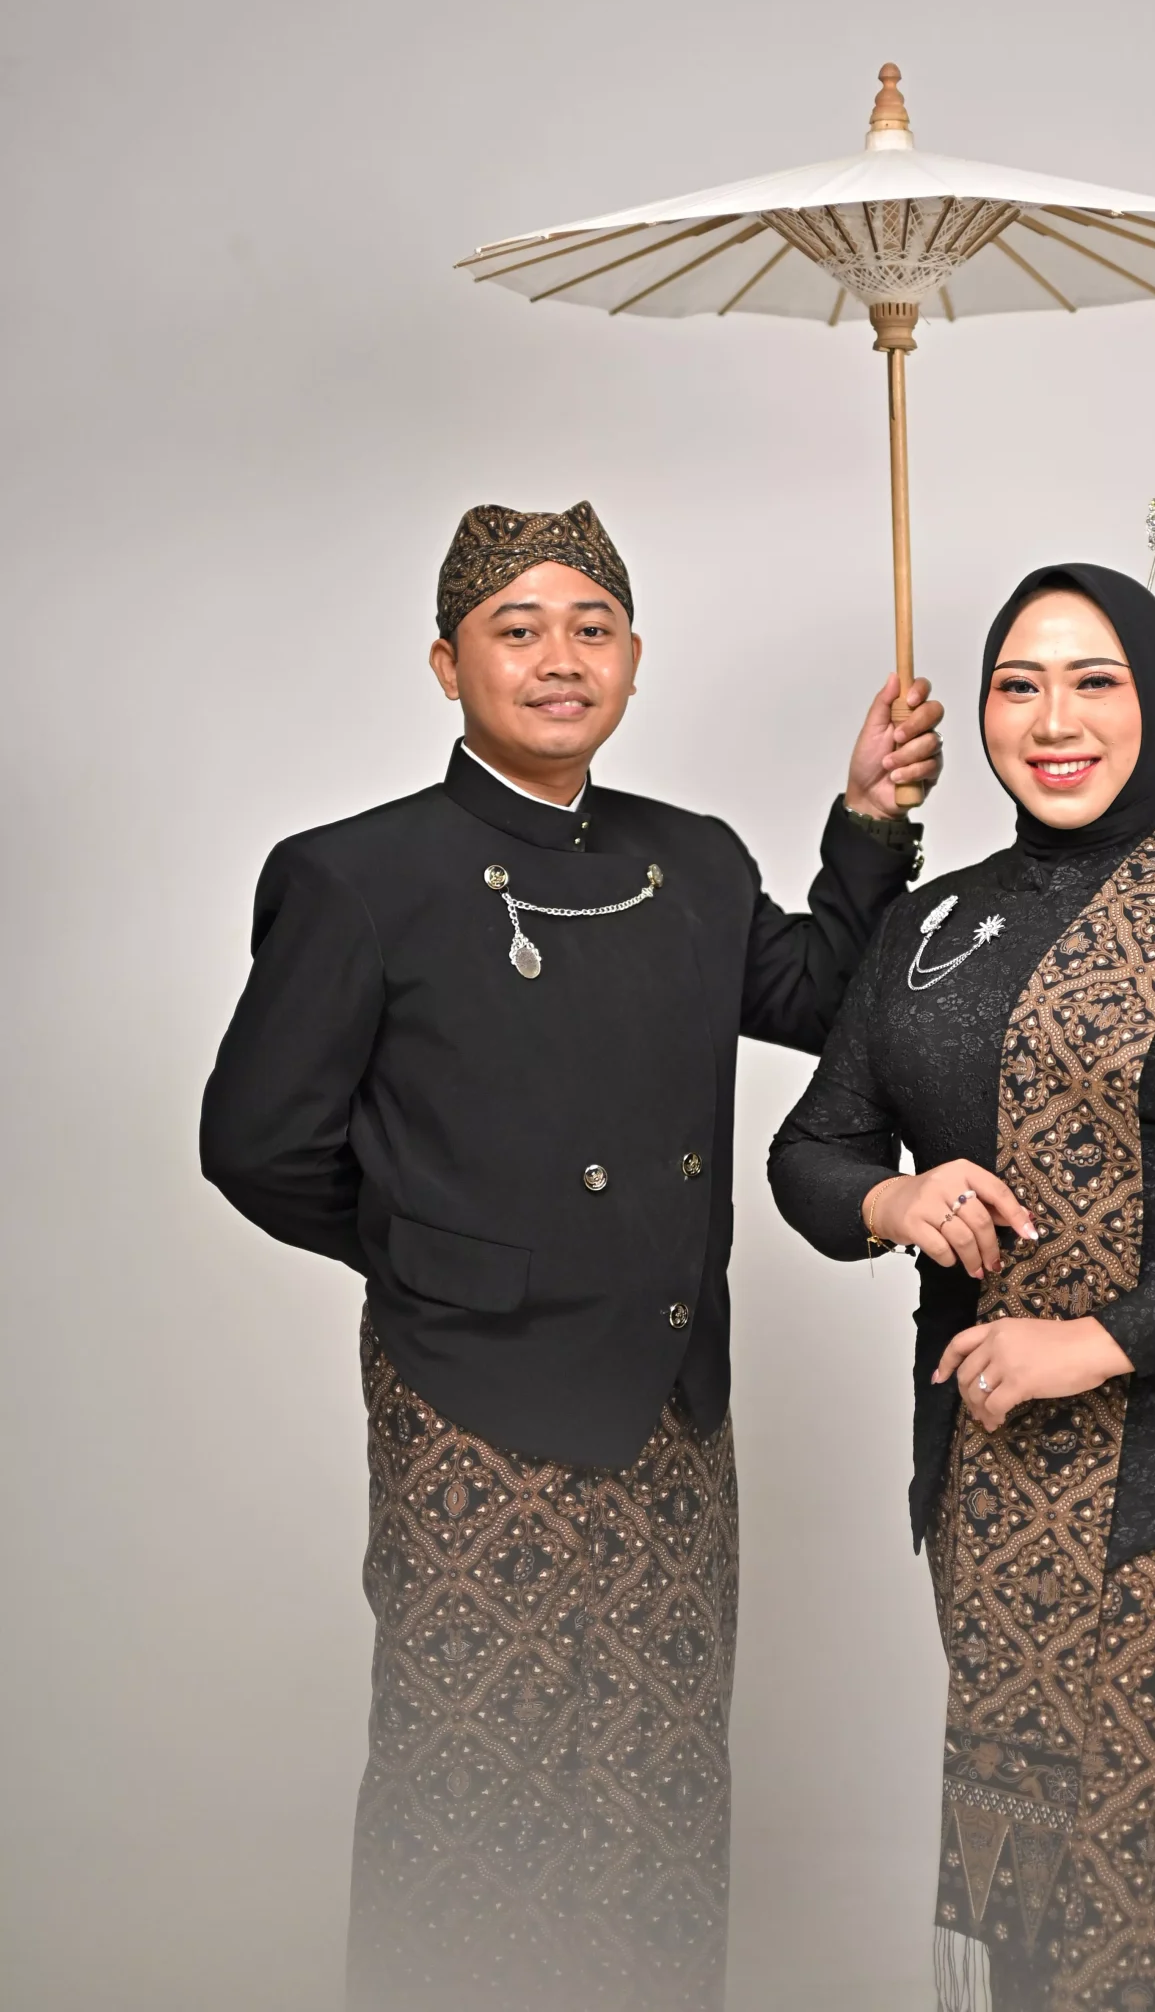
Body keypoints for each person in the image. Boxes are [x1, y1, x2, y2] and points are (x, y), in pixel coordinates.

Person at [200, 501, 942, 2012]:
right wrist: (442, 1258)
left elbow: (822, 999)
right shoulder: (355, 874)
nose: (559, 659)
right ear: (446, 663)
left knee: (656, 1788)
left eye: (591, 629)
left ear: (634, 658)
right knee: (473, 1787)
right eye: (518, 630)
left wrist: (868, 820)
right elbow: (258, 1143)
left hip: (671, 1401)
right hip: (469, 1397)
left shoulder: (692, 858)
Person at [769, 562, 1155, 2012]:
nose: (1054, 720)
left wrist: (1098, 1341)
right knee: (1022, 1875)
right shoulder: (932, 925)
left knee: (1152, 1890)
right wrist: (891, 1198)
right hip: (991, 1472)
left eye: (1094, 681)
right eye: (1018, 685)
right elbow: (812, 1149)